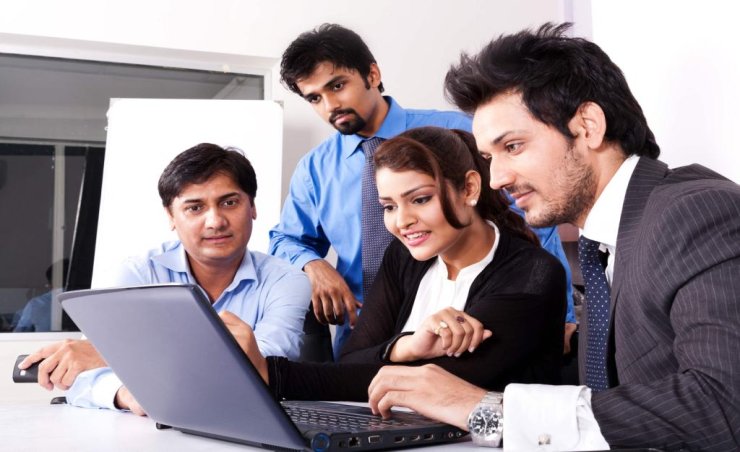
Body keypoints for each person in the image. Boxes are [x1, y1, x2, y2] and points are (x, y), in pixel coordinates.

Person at [367, 23, 740, 451]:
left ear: (588, 126)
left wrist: (487, 408)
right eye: (489, 157)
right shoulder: (605, 242)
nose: (496, 179)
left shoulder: (696, 212)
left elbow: (724, 404)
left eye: (513, 147)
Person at [269, 23, 575, 358]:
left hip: (465, 330)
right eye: (315, 98)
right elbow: (285, 239)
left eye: (337, 86)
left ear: (372, 74)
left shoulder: (455, 132)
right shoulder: (315, 170)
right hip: (366, 343)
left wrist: (561, 313)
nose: (330, 106)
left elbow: (527, 217)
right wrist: (314, 265)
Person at [223, 126, 566, 402]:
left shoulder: (533, 274)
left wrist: (273, 374)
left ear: (469, 188)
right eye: (389, 206)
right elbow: (351, 360)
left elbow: (435, 384)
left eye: (420, 199)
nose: (403, 221)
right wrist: (407, 345)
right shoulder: (404, 256)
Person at [18, 143, 311, 415]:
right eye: (195, 208)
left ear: (253, 207)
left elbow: (264, 366)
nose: (215, 221)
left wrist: (113, 355)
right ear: (171, 216)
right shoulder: (137, 274)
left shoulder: (286, 280)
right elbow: (81, 376)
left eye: (230, 202)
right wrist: (124, 394)